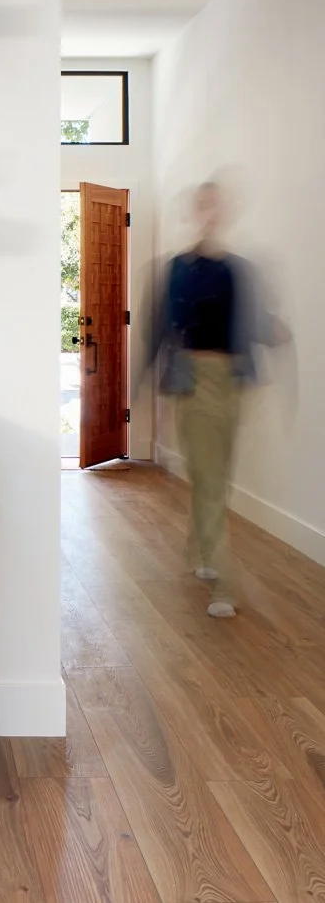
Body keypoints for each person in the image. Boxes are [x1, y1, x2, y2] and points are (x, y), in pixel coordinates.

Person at [152, 181, 288, 618]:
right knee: (210, 479)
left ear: (226, 210)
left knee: (215, 476)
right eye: (204, 204)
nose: (212, 210)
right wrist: (144, 388)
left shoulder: (239, 269)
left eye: (218, 203)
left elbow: (254, 324)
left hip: (233, 381)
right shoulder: (178, 268)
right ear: (195, 211)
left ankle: (200, 553)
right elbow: (160, 329)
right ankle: (225, 584)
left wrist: (276, 331)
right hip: (194, 381)